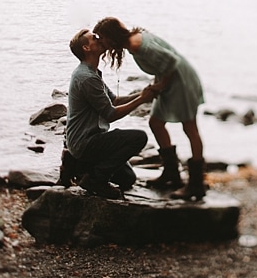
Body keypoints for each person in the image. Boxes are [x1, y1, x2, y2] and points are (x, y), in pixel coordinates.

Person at [93, 16, 209, 201]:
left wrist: (160, 86)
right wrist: (158, 84)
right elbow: (161, 65)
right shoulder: (133, 42)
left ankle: (196, 184)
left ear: (112, 35)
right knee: (156, 123)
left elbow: (172, 62)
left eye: (102, 38)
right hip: (171, 82)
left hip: (182, 82)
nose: (102, 43)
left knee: (190, 128)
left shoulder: (138, 45)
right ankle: (172, 174)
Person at [60, 26, 149, 200]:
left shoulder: (92, 73)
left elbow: (114, 100)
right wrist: (142, 100)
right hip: (86, 142)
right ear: (86, 48)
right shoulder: (86, 77)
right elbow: (110, 113)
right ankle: (96, 180)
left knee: (127, 179)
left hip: (88, 140)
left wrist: (144, 93)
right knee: (139, 137)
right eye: (94, 38)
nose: (99, 39)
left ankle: (77, 165)